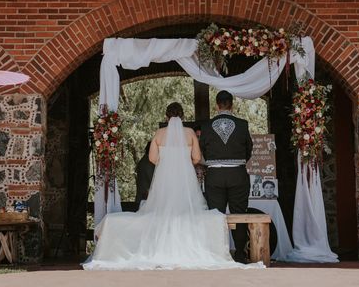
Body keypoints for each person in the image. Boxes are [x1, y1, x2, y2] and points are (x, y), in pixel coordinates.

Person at [83, 102, 256, 270]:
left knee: (160, 208)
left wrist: (166, 163)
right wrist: (183, 161)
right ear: (182, 116)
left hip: (164, 178)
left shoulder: (159, 133)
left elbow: (152, 158)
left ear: (166, 117)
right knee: (189, 211)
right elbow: (196, 158)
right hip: (185, 178)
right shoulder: (189, 133)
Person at [200, 90, 253, 263]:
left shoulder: (207, 126)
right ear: (231, 104)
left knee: (216, 215)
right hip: (237, 174)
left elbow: (202, 150)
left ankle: (217, 253)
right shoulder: (242, 124)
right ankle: (240, 253)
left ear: (217, 105)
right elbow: (249, 151)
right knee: (239, 213)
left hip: (214, 175)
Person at [134, 141, 155, 208]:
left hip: (142, 197)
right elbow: (151, 180)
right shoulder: (148, 163)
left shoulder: (144, 160)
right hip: (145, 198)